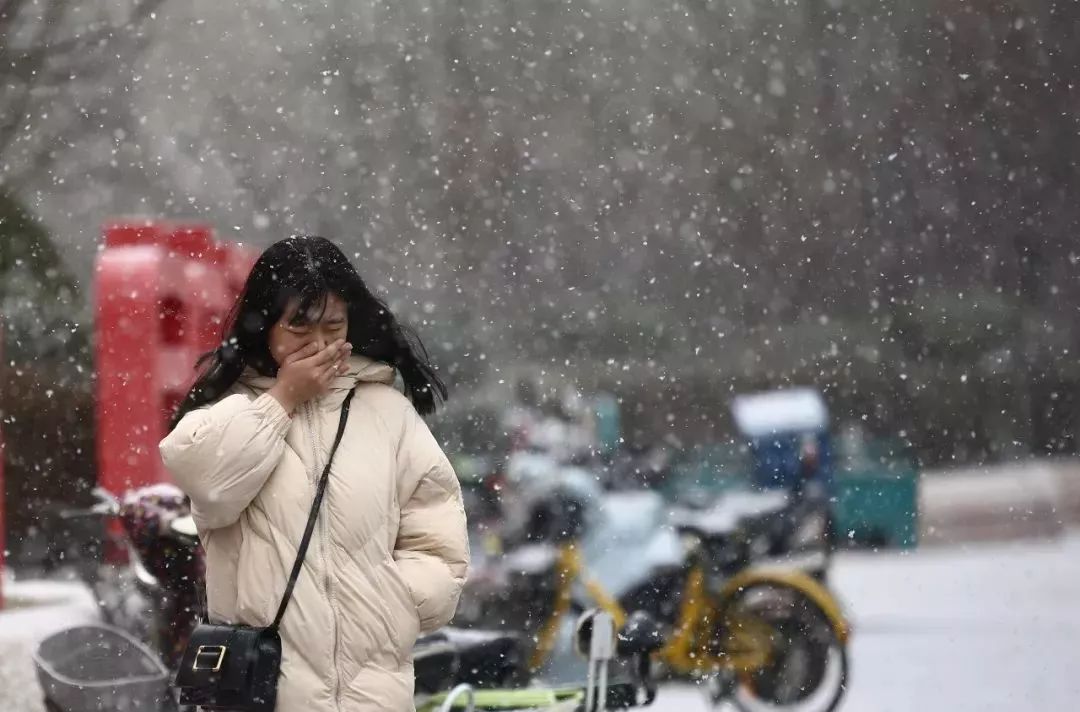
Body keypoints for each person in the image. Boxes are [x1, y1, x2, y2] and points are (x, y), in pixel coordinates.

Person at [159, 235, 469, 711]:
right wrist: (282, 399)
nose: (320, 344)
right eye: (300, 327)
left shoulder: (387, 411)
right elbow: (210, 485)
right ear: (265, 327)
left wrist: (394, 607)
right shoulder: (229, 409)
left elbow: (438, 541)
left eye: (333, 326)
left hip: (372, 693)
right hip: (265, 689)